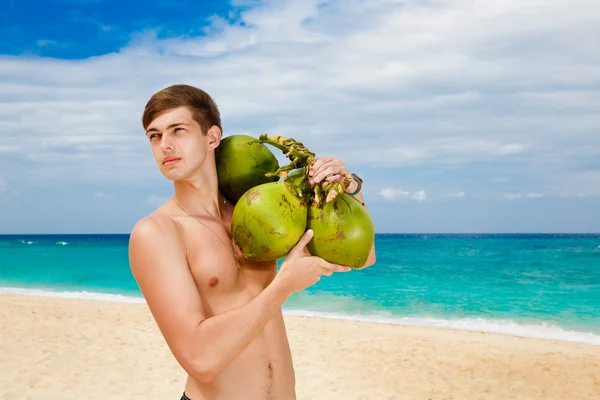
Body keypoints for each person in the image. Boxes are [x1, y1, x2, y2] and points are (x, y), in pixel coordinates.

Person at [128, 84, 377, 400]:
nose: (165, 145)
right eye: (155, 135)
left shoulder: (260, 213)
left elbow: (362, 256)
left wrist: (348, 187)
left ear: (212, 137)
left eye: (178, 130)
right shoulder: (158, 232)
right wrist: (284, 285)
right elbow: (200, 360)